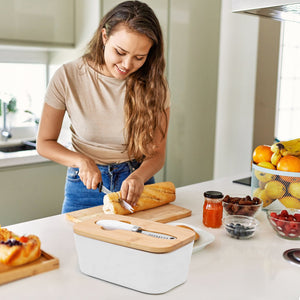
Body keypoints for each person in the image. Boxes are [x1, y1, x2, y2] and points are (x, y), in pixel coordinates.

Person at [36, 0, 170, 213]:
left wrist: (138, 177)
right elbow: (44, 143)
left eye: (139, 57)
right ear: (104, 37)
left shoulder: (154, 84)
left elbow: (157, 153)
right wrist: (81, 160)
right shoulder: (68, 76)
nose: (127, 65)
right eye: (120, 52)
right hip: (84, 186)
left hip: (136, 185)